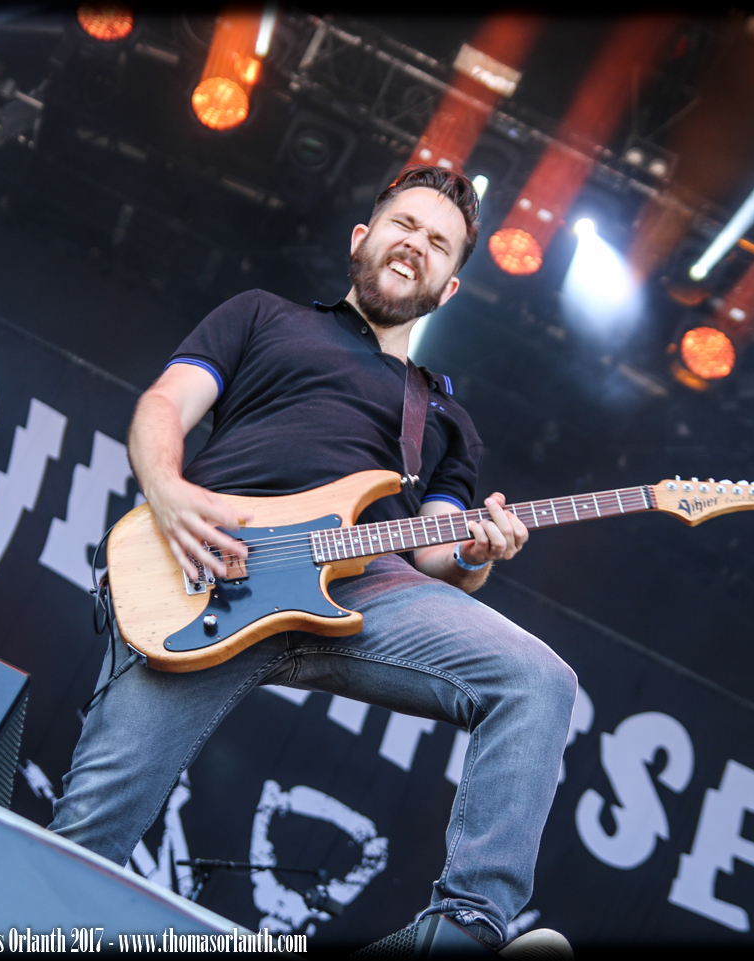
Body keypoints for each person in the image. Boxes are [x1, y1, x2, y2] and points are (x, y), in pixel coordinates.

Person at [49, 166, 577, 957]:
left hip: (366, 585)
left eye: (438, 243)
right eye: (404, 225)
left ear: (450, 288)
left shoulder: (445, 418)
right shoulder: (262, 315)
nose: (417, 244)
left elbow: (438, 553)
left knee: (539, 679)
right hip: (214, 566)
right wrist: (169, 492)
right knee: (82, 842)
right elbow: (164, 404)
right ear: (362, 238)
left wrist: (478, 554)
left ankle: (463, 929)